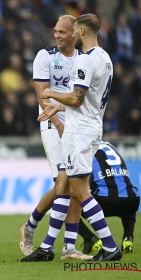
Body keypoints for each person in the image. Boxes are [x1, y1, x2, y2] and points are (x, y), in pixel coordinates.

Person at [22, 13, 122, 262]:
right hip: (90, 125)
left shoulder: (85, 61)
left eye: (73, 31)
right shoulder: (105, 58)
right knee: (65, 185)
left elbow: (76, 98)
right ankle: (49, 247)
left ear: (82, 32)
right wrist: (59, 108)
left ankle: (109, 246)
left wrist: (52, 94)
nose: (72, 34)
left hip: (78, 131)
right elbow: (86, 100)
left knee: (78, 191)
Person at [19, 15, 90, 260]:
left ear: (75, 34)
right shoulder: (45, 56)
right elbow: (42, 95)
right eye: (55, 31)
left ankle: (68, 247)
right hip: (51, 123)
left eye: (62, 32)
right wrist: (58, 122)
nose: (57, 35)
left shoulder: (84, 59)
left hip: (76, 123)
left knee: (76, 184)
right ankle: (31, 228)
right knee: (64, 184)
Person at [78, 141, 140, 254]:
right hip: (132, 201)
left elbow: (83, 182)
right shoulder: (111, 146)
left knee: (67, 205)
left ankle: (90, 238)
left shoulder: (85, 149)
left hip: (105, 202)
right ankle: (128, 238)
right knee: (128, 199)